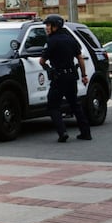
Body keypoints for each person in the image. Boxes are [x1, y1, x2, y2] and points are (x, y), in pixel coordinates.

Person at [39, 14, 92, 143]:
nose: (46, 28)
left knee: (53, 106)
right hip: (71, 77)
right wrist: (84, 76)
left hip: (59, 78)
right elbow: (80, 58)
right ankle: (86, 133)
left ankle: (62, 132)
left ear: (55, 26)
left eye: (48, 25)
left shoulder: (51, 41)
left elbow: (41, 61)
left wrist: (48, 68)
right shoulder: (71, 39)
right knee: (75, 105)